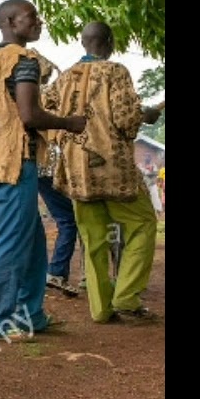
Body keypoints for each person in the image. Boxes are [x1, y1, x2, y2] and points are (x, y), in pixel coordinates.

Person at [0, 0, 85, 340]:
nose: (39, 21)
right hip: (17, 161)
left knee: (32, 242)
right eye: (31, 17)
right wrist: (70, 122)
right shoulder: (23, 59)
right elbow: (29, 115)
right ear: (9, 21)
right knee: (13, 241)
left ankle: (31, 315)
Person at [44, 22, 161, 324]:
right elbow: (125, 119)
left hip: (77, 172)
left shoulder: (64, 78)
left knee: (93, 239)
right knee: (143, 224)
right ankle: (126, 297)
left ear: (84, 43)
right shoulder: (115, 71)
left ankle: (100, 309)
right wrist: (146, 114)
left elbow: (46, 111)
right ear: (109, 42)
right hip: (114, 170)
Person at [33, 56, 80, 297]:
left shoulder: (25, 95)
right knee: (69, 220)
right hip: (50, 169)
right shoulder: (47, 97)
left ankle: (55, 272)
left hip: (39, 168)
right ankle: (57, 272)